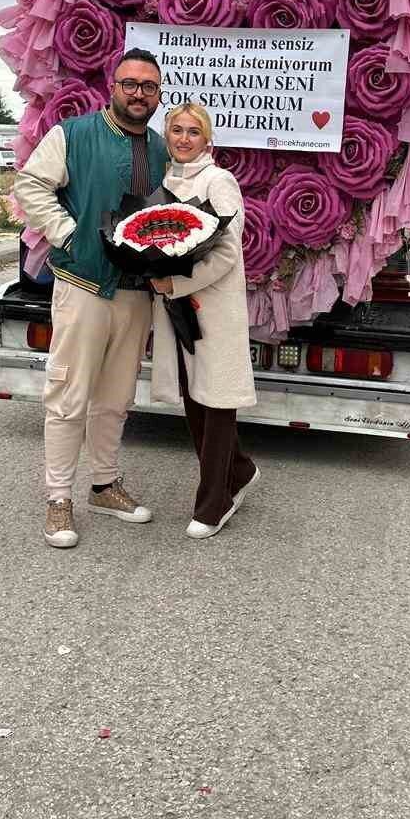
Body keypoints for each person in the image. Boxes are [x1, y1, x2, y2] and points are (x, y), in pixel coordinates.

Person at [13, 49, 168, 550]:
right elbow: (31, 185)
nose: (138, 92)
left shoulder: (165, 148)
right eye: (130, 83)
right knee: (69, 393)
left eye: (148, 86)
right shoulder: (74, 135)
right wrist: (69, 235)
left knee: (117, 397)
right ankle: (59, 497)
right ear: (113, 86)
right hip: (84, 285)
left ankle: (104, 485)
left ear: (158, 94)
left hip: (135, 292)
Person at [148, 102, 260, 539]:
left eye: (193, 132)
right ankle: (241, 469)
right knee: (195, 398)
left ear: (207, 140)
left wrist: (176, 284)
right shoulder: (164, 181)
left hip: (210, 308)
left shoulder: (219, 181)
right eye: (176, 130)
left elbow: (228, 251)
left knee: (216, 402)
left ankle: (217, 499)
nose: (183, 138)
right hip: (175, 309)